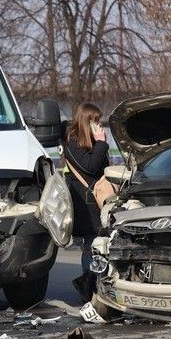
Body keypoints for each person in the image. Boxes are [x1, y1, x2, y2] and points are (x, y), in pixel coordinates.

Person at [61, 102, 110, 302]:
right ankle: (88, 292)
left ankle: (96, 289)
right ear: (86, 121)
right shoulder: (72, 143)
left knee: (100, 247)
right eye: (96, 121)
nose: (99, 125)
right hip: (84, 206)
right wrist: (101, 143)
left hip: (96, 204)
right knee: (90, 246)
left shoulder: (91, 143)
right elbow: (90, 166)